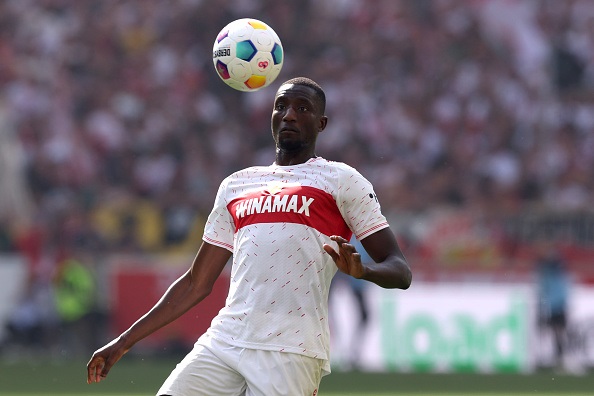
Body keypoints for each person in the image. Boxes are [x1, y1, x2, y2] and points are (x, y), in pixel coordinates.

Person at [86, 77, 412, 396]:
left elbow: (400, 270)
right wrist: (124, 341)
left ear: (322, 123)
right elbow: (195, 283)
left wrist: (363, 271)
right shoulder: (237, 185)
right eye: (281, 106)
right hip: (226, 339)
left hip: (291, 348)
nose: (289, 115)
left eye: (302, 108)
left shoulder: (341, 180)